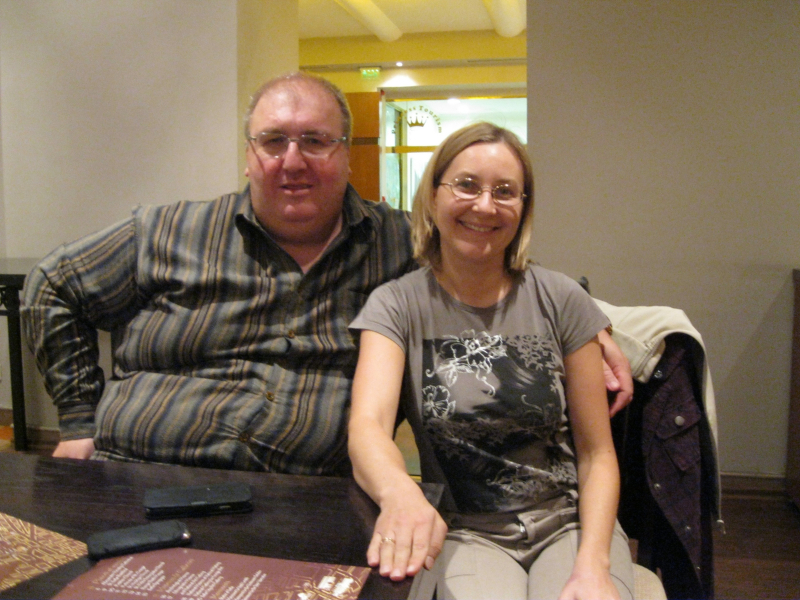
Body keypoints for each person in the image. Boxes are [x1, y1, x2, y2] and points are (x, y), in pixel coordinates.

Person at [22, 72, 632, 477]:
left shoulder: (400, 245)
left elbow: (491, 258)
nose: (293, 162)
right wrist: (77, 421)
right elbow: (51, 283)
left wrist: (594, 324)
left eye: (315, 141)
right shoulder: (168, 229)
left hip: (307, 497)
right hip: (136, 475)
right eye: (273, 141)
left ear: (346, 153)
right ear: (249, 155)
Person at [348, 122, 634, 599]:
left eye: (505, 191)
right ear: (433, 194)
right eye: (466, 185)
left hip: (570, 525)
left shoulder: (562, 298)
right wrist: (399, 493)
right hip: (465, 531)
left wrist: (593, 564)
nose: (485, 205)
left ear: (523, 207)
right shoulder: (395, 306)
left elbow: (597, 454)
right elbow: (368, 426)